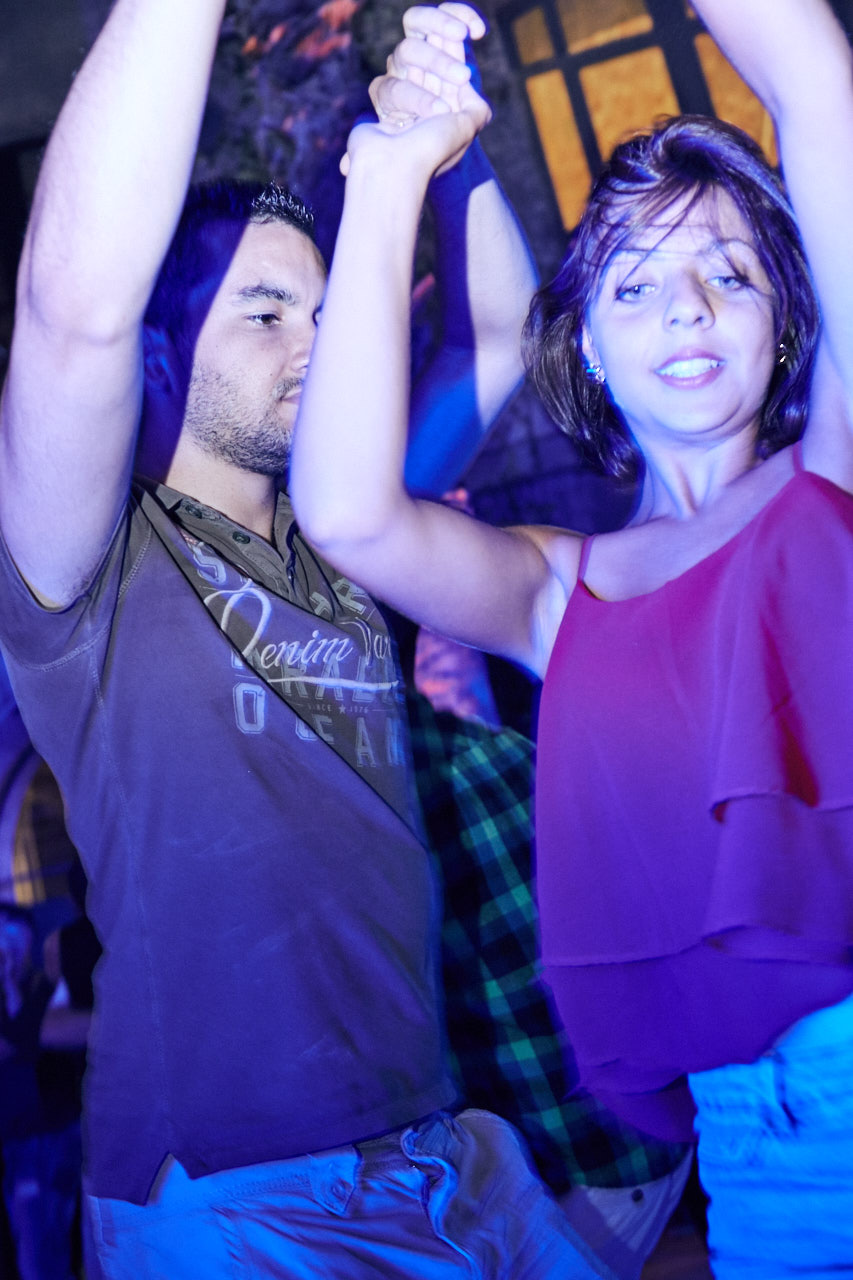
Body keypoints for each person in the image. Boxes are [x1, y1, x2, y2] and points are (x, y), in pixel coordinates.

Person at [0, 0, 617, 1276]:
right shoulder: (92, 565)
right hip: (239, 1196)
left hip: (447, 1157)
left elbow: (495, 337)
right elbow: (75, 309)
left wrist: (450, 149)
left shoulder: (351, 526)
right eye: (265, 311)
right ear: (163, 349)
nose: (315, 344)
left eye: (325, 314)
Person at [290, 0, 853, 1273]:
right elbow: (347, 513)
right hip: (748, 1154)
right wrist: (393, 170)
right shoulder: (560, 589)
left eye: (729, 272)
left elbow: (815, 81)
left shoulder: (835, 470)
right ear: (588, 343)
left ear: (786, 315)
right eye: (637, 284)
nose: (688, 307)